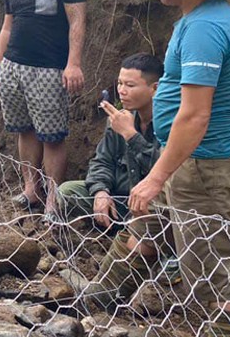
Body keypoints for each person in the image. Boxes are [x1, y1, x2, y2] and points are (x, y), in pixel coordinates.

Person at [108, 0, 230, 333]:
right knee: (145, 228)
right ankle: (99, 299)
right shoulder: (199, 19)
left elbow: (195, 116)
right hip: (188, 161)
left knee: (210, 267)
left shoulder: (206, 28)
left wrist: (156, 177)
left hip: (206, 167)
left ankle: (224, 330)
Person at [0, 0, 87, 214]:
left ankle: (54, 201)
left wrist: (73, 64)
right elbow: (7, 28)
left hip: (48, 70)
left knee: (52, 136)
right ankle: (31, 189)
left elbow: (77, 21)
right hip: (12, 68)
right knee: (24, 129)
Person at [57, 53, 167, 307]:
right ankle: (112, 231)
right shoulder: (120, 118)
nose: (122, 91)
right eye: (119, 83)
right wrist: (100, 191)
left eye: (130, 85)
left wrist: (130, 135)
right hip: (119, 201)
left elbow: (164, 168)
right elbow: (101, 161)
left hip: (152, 208)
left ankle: (156, 257)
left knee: (154, 219)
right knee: (67, 192)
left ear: (154, 88)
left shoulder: (167, 122)